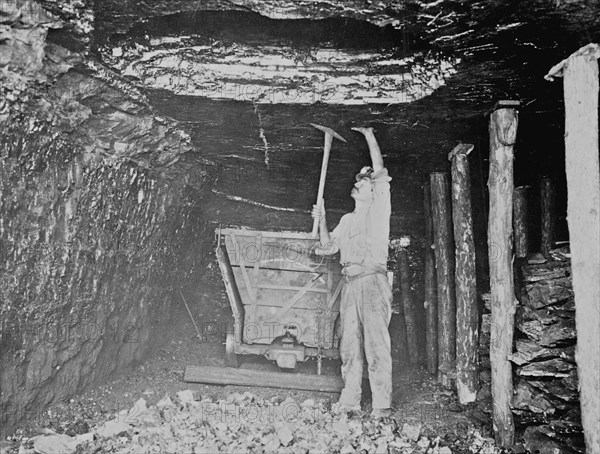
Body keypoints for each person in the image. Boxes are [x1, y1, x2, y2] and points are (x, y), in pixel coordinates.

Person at [311, 126, 393, 419]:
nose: (359, 182)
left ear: (374, 191)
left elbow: (380, 172)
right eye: (358, 180)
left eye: (364, 181)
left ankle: (382, 404)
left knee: (375, 344)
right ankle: (350, 401)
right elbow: (328, 248)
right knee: (349, 345)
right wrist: (320, 221)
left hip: (372, 283)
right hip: (350, 285)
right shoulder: (347, 220)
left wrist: (370, 134)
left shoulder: (379, 211)